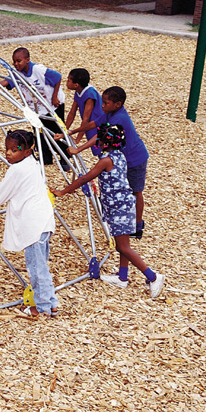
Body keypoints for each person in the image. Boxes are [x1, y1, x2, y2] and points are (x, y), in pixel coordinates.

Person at [53, 124, 165, 299]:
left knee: (123, 246)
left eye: (99, 139)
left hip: (119, 207)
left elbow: (85, 178)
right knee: (123, 243)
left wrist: (63, 191)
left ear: (103, 142)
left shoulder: (105, 161)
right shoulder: (119, 155)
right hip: (123, 205)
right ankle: (122, 277)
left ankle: (153, 276)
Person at [0, 130, 57, 319]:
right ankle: (51, 303)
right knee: (42, 266)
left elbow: (2, 193)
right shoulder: (33, 164)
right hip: (44, 221)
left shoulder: (17, 170)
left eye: (14, 150)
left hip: (33, 224)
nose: (8, 153)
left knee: (36, 268)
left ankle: (42, 308)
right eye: (7, 149)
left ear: (27, 151)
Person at [68, 85, 150, 239]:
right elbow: (94, 124)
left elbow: (99, 135)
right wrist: (73, 131)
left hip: (135, 158)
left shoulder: (119, 119)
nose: (102, 106)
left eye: (105, 103)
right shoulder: (110, 113)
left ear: (117, 104)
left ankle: (138, 226)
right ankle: (125, 219)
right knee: (125, 189)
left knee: (136, 191)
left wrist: (79, 149)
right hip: (123, 158)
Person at [0, 47, 65, 165]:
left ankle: (65, 157)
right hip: (36, 109)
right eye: (14, 61)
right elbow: (7, 81)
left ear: (27, 60)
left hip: (52, 105)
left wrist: (54, 97)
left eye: (18, 61)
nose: (16, 64)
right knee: (39, 132)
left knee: (57, 131)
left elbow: (58, 77)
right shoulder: (17, 74)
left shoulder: (38, 70)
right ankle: (46, 158)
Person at [63, 67, 101, 158]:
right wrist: (64, 131)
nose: (66, 82)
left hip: (96, 125)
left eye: (69, 80)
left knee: (101, 149)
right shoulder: (78, 92)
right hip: (89, 126)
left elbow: (86, 119)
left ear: (76, 84)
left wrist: (77, 140)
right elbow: (72, 113)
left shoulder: (89, 95)